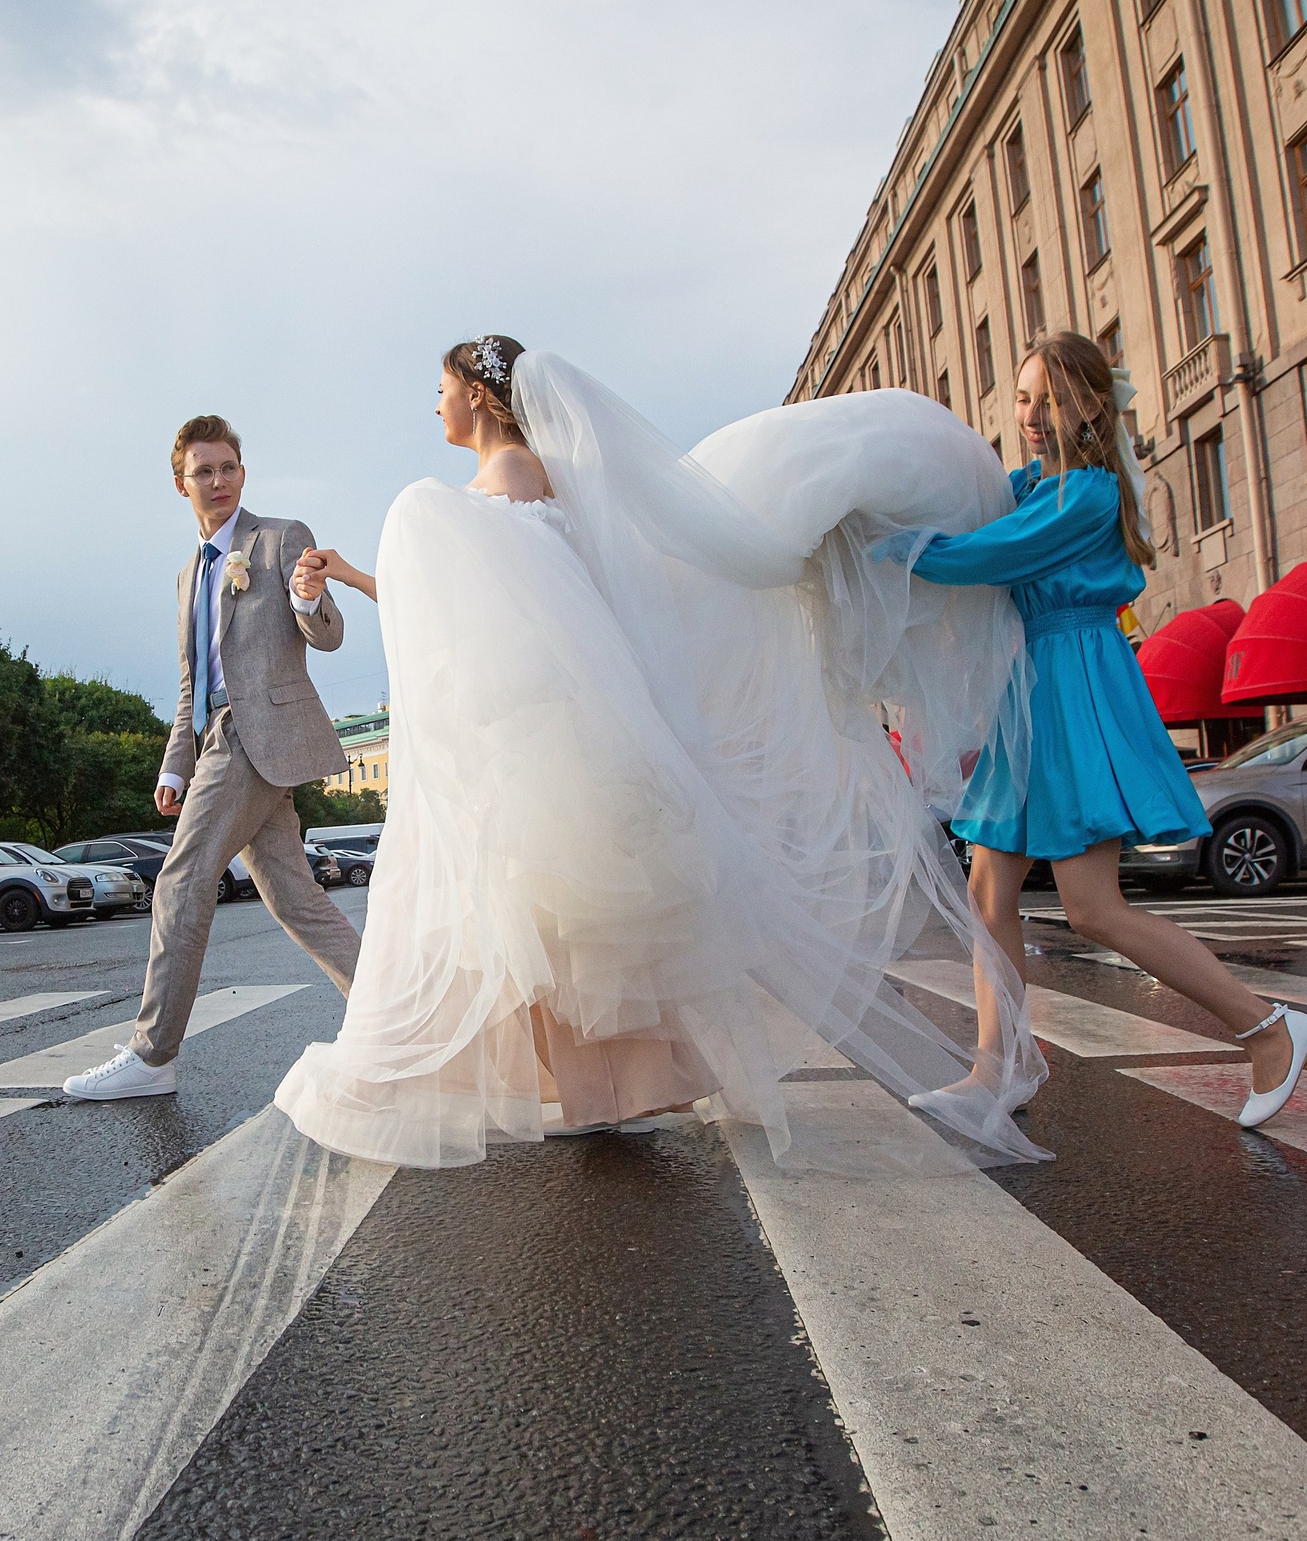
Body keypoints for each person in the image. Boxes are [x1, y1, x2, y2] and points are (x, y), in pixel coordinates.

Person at [276, 337, 1049, 1169]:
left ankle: (608, 1086)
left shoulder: (501, 484)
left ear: (477, 394)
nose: (435, 405)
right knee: (569, 923)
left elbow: (497, 610)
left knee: (561, 917)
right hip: (555, 728)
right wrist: (358, 576)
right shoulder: (528, 487)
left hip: (543, 731)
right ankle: (620, 1087)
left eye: (441, 388)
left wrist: (409, 526)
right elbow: (475, 601)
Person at [876, 330, 1307, 1127]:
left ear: (1088, 405)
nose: (1032, 414)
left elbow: (987, 552)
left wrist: (896, 550)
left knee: (1092, 908)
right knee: (986, 896)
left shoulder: (1089, 495)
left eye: (1050, 398)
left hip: (1075, 688)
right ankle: (1001, 1066)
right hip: (1032, 694)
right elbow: (968, 507)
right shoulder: (1030, 485)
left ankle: (1268, 1028)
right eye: (1023, 397)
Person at [62, 415, 364, 1101]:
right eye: (205, 471)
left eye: (229, 467)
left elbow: (329, 633)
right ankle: (398, 1021)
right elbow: (190, 681)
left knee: (180, 880)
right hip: (218, 742)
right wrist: (175, 765)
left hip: (254, 737)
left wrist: (306, 598)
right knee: (296, 900)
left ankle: (152, 1054)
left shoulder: (281, 538)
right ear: (181, 484)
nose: (219, 480)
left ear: (243, 474)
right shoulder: (186, 577)